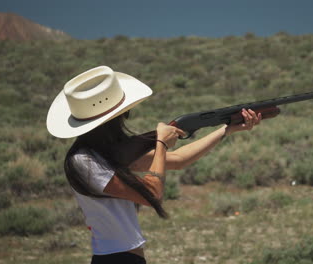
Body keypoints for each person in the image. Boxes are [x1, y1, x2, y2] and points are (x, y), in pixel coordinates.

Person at [46, 66, 262, 264]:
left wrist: (228, 129)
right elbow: (152, 193)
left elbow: (178, 160)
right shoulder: (84, 161)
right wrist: (160, 143)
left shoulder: (105, 153)